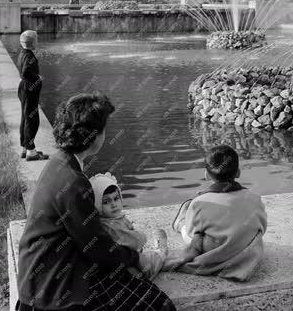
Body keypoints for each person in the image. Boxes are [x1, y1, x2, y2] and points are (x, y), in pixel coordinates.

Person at [16, 93, 175, 311]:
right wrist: (136, 258)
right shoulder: (73, 183)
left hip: (43, 276)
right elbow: (98, 248)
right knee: (160, 305)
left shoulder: (60, 163)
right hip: (55, 289)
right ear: (94, 136)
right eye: (103, 129)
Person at [166, 144, 267, 281]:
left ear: (206, 175)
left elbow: (192, 234)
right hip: (245, 247)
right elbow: (262, 228)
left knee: (191, 233)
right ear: (238, 172)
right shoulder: (255, 198)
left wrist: (185, 227)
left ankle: (179, 224)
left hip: (214, 250)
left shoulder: (200, 203)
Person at [89, 172, 167, 280]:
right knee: (156, 258)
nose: (113, 204)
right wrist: (141, 235)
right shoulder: (112, 226)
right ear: (97, 205)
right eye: (106, 202)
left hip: (127, 261)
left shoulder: (109, 220)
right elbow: (137, 241)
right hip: (132, 267)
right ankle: (161, 250)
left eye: (116, 198)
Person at [16, 30, 48, 161]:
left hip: (24, 89)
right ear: (33, 42)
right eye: (37, 39)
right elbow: (25, 72)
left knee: (25, 118)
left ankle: (25, 147)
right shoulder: (29, 56)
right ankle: (31, 152)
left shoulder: (23, 53)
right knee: (32, 120)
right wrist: (38, 77)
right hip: (29, 90)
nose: (38, 41)